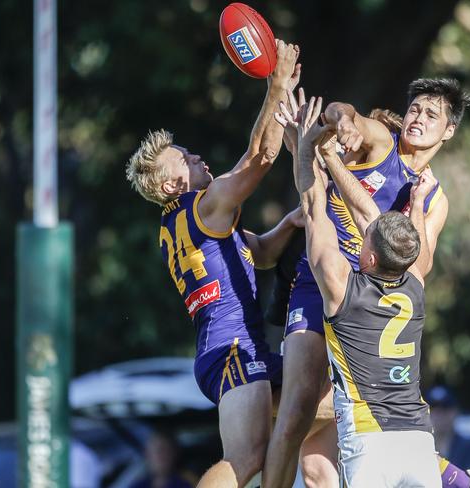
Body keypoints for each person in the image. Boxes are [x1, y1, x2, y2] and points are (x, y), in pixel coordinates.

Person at [263, 79, 470, 488]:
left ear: (449, 130)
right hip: (318, 280)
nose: (418, 119)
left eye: (432, 115)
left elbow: (419, 268)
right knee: (296, 413)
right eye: (414, 109)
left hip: (369, 304)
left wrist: (413, 206)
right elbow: (344, 110)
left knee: (322, 466)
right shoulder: (381, 143)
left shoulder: (434, 197)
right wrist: (344, 123)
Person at [126, 40, 302, 487]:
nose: (196, 157)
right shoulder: (203, 207)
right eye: (184, 158)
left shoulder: (177, 226)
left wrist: (293, 220)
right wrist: (276, 85)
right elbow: (260, 159)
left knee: (323, 394)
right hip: (232, 351)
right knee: (245, 459)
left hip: (231, 350)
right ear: (171, 184)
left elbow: (258, 253)